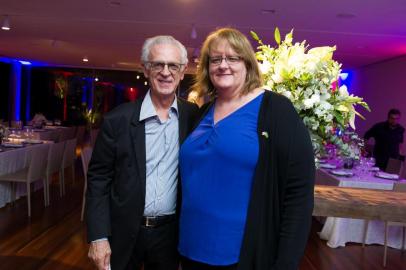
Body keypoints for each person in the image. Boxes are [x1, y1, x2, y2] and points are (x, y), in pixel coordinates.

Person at [178, 28, 315, 270]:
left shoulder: (276, 110)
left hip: (243, 254)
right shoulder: (201, 112)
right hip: (190, 247)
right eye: (215, 59)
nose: (223, 65)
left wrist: (286, 262)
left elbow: (299, 193)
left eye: (233, 58)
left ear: (248, 63)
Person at [86, 35, 199, 270]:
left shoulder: (193, 116)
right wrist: (98, 236)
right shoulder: (118, 120)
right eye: (158, 64)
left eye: (173, 66)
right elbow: (98, 180)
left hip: (170, 235)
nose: (165, 72)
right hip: (125, 231)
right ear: (145, 69)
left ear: (182, 71)